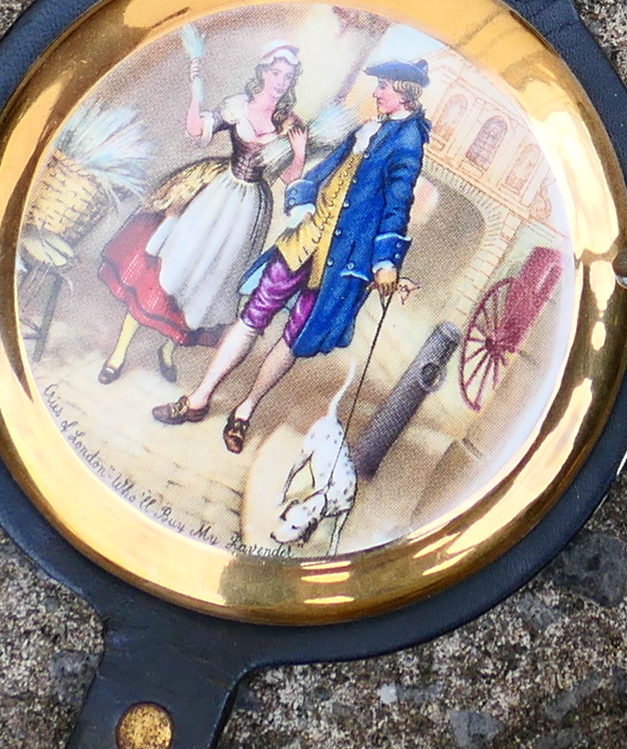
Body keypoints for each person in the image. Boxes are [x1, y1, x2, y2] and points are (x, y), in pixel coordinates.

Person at [155, 57, 435, 454]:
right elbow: (326, 174)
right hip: (305, 237)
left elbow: (398, 202)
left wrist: (386, 261)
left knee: (294, 336)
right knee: (254, 315)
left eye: (383, 87)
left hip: (342, 262)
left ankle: (245, 412)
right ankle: (199, 398)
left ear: (403, 92)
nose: (376, 92)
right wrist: (302, 198)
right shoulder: (368, 127)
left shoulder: (408, 142)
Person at [90, 37, 306, 383]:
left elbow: (290, 180)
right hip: (215, 195)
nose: (281, 81)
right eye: (276, 72)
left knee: (207, 279)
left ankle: (167, 348)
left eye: (288, 75)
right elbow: (198, 133)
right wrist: (196, 83)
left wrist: (298, 152)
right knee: (171, 264)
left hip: (248, 212)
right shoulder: (239, 105)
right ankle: (119, 351)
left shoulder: (290, 123)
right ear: (263, 73)